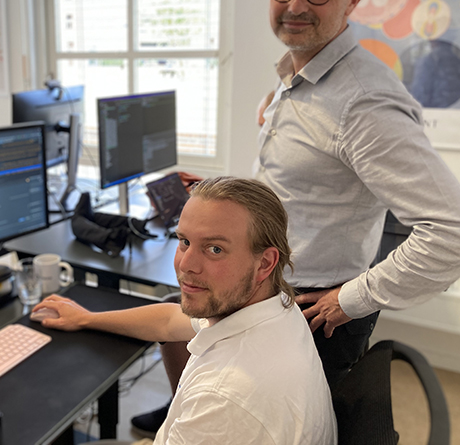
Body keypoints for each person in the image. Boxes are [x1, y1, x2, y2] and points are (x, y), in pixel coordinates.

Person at [130, 0, 460, 437]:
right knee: (180, 320)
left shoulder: (362, 102)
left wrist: (353, 297)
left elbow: (458, 233)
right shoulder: (297, 78)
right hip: (267, 282)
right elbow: (299, 185)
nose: (296, 3)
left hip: (312, 306)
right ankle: (183, 412)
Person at [33, 177, 337, 445]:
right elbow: (168, 320)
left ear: (265, 263)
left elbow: (221, 408)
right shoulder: (277, 308)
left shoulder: (224, 401)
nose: (185, 265)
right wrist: (86, 318)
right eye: (185, 241)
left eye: (214, 249)